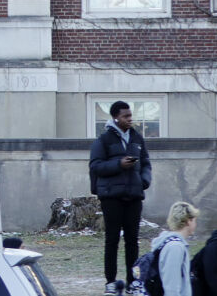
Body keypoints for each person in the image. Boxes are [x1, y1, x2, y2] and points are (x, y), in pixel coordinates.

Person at [90, 100, 153, 293]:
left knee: (133, 241)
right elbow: (95, 166)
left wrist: (144, 181)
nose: (130, 119)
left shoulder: (137, 138)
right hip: (111, 197)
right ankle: (111, 281)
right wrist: (119, 165)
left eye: (130, 115)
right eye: (125, 116)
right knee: (112, 240)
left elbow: (146, 163)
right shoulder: (104, 140)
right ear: (115, 117)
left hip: (133, 196)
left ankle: (132, 282)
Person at [150, 201, 197, 296]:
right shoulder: (175, 248)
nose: (196, 224)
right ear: (188, 221)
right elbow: (171, 288)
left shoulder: (167, 243)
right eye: (195, 220)